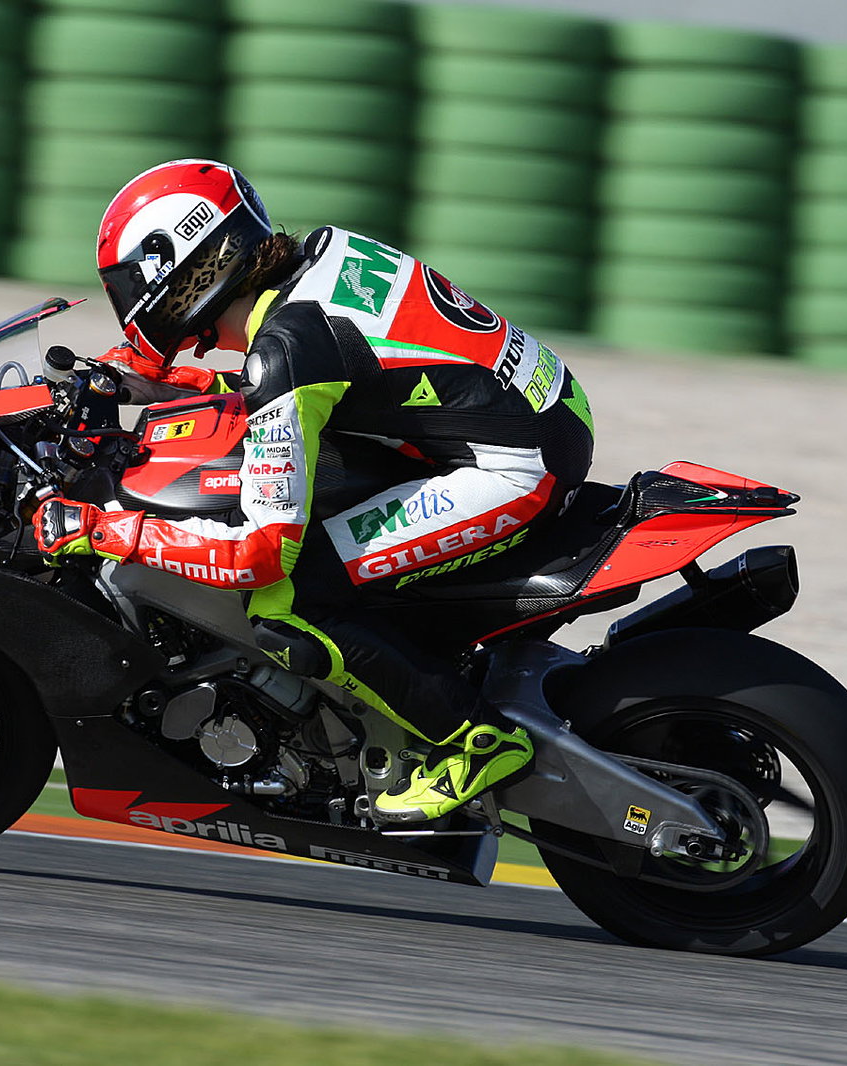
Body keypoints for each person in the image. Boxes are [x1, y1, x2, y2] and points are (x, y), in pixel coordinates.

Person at [33, 159, 595, 823]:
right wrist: (165, 386)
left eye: (132, 284)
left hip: (515, 467)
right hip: (545, 411)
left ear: (183, 268)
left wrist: (103, 530)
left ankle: (472, 738)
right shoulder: (315, 260)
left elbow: (259, 553)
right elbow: (326, 380)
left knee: (286, 595)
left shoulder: (286, 349)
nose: (131, 302)